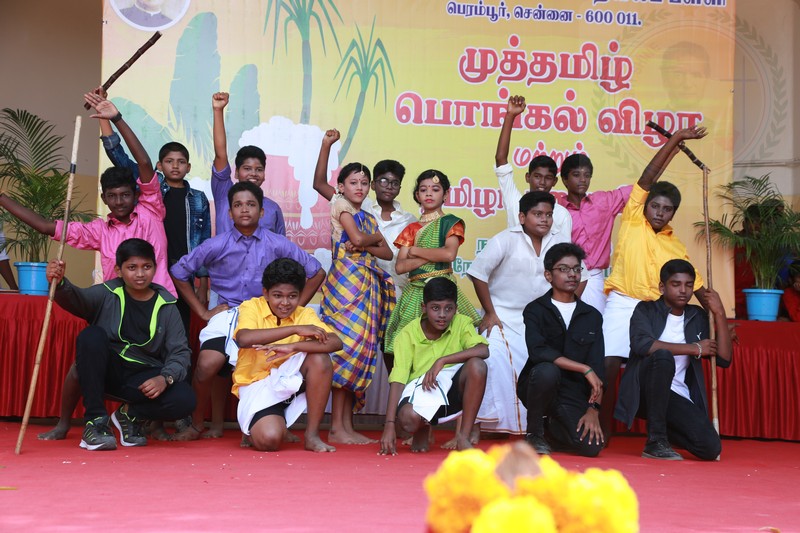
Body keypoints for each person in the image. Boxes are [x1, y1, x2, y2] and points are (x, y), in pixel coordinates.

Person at [0, 92, 175, 441]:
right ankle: (66, 423)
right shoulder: (98, 230)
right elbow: (46, 227)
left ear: (137, 194)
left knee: (163, 367)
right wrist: (2, 198)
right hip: (115, 307)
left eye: (126, 194)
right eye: (112, 196)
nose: (120, 201)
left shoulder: (152, 209)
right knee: (83, 365)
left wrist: (116, 118)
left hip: (159, 304)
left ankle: (145, 421)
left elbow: (143, 163)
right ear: (104, 199)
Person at [170, 181, 325, 441]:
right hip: (228, 314)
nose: (244, 210)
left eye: (251, 204)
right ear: (229, 212)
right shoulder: (216, 244)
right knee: (207, 365)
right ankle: (197, 424)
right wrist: (202, 312)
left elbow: (317, 272)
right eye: (238, 205)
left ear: (261, 211)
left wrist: (293, 309)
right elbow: (178, 272)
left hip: (265, 315)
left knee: (276, 364)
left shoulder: (277, 243)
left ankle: (271, 423)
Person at [601, 126, 708, 440]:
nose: (659, 212)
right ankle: (601, 426)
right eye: (655, 205)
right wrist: (675, 140)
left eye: (667, 209)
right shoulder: (633, 218)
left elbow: (698, 288)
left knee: (659, 366)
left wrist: (719, 317)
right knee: (608, 362)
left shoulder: (676, 247)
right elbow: (649, 177)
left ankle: (661, 431)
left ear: (673, 213)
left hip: (655, 311)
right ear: (644, 204)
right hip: (623, 301)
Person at [46, 238, 195, 451]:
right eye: (132, 268)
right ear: (118, 270)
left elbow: (180, 352)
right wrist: (60, 283)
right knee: (91, 336)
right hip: (108, 371)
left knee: (185, 399)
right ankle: (96, 422)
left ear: (155, 268)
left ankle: (130, 416)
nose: (140, 274)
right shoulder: (107, 292)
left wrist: (165, 378)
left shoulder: (167, 305)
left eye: (146, 267)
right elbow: (77, 299)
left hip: (143, 378)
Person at [467, 191, 587, 436]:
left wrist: (564, 308)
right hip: (502, 317)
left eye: (549, 215)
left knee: (542, 369)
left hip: (541, 320)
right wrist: (489, 312)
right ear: (522, 217)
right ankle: (479, 426)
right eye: (537, 214)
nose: (544, 219)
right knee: (492, 358)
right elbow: (478, 273)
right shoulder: (505, 239)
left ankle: (535, 429)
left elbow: (581, 277)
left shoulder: (560, 242)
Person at [95, 89, 212, 333]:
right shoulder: (150, 188)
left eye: (181, 162)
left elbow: (203, 244)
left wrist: (202, 284)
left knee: (177, 327)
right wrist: (105, 118)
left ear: (189, 167)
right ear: (159, 165)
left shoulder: (199, 199)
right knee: (145, 325)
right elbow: (118, 155)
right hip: (152, 267)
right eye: (169, 161)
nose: (175, 166)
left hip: (183, 271)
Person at [312, 131, 396, 444]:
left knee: (359, 352)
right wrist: (326, 145)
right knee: (345, 351)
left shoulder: (367, 216)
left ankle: (346, 426)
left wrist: (368, 240)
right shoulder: (341, 206)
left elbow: (387, 253)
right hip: (345, 286)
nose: (359, 187)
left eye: (364, 183)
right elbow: (361, 239)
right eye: (353, 183)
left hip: (366, 285)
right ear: (342, 187)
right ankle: (336, 426)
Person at [615, 259, 732, 460]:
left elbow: (724, 359)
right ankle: (655, 442)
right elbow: (643, 345)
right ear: (662, 287)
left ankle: (665, 431)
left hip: (676, 394)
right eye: (676, 284)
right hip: (644, 391)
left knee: (710, 448)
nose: (683, 290)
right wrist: (695, 348)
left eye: (689, 285)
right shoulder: (646, 310)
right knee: (663, 357)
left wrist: (719, 312)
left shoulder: (697, 316)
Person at [234, 258, 342, 453]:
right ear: (265, 293)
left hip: (289, 384)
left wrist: (293, 347)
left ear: (300, 294)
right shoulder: (251, 306)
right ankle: (260, 426)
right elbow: (244, 338)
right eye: (278, 295)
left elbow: (335, 342)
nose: (285, 303)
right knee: (269, 441)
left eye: (292, 296)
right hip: (257, 385)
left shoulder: (304, 313)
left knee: (320, 359)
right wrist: (295, 329)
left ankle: (312, 435)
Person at [379, 277, 488, 455]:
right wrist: (389, 425)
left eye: (448, 308)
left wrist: (442, 360)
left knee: (478, 366)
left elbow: (483, 350)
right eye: (435, 308)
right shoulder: (407, 333)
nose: (442, 315)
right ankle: (422, 429)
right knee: (408, 419)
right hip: (420, 391)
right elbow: (398, 380)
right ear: (424, 307)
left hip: (451, 394)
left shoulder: (462, 322)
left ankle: (463, 437)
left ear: (456, 308)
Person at [517, 243, 604, 457]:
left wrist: (593, 410)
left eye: (576, 269)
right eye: (563, 269)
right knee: (547, 370)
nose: (572, 274)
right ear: (549, 275)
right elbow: (538, 352)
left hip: (573, 392)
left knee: (591, 447)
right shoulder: (535, 310)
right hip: (539, 384)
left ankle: (553, 429)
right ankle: (534, 433)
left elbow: (597, 367)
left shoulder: (592, 315)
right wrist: (583, 368)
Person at [385, 170, 481, 356]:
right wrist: (434, 254)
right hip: (415, 293)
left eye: (435, 189)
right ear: (417, 195)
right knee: (407, 345)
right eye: (423, 190)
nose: (429, 194)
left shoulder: (451, 223)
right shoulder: (411, 229)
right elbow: (400, 267)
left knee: (451, 341)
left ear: (445, 194)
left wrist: (415, 251)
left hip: (443, 288)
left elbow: (449, 254)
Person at [550, 153, 632, 313]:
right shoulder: (555, 210)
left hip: (593, 278)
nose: (582, 180)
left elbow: (642, 187)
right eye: (576, 175)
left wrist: (671, 148)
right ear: (565, 180)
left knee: (593, 325)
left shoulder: (604, 202)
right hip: (562, 276)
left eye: (587, 175)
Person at [494, 95, 572, 237]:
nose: (542, 182)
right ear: (527, 177)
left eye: (548, 178)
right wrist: (510, 116)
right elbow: (500, 159)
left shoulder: (562, 215)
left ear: (555, 181)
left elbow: (564, 250)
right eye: (537, 176)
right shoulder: (515, 203)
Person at [212, 91, 285, 236]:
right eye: (247, 168)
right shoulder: (224, 194)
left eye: (259, 169)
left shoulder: (273, 209)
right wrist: (218, 110)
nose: (253, 173)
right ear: (236, 172)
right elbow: (220, 154)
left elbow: (281, 246)